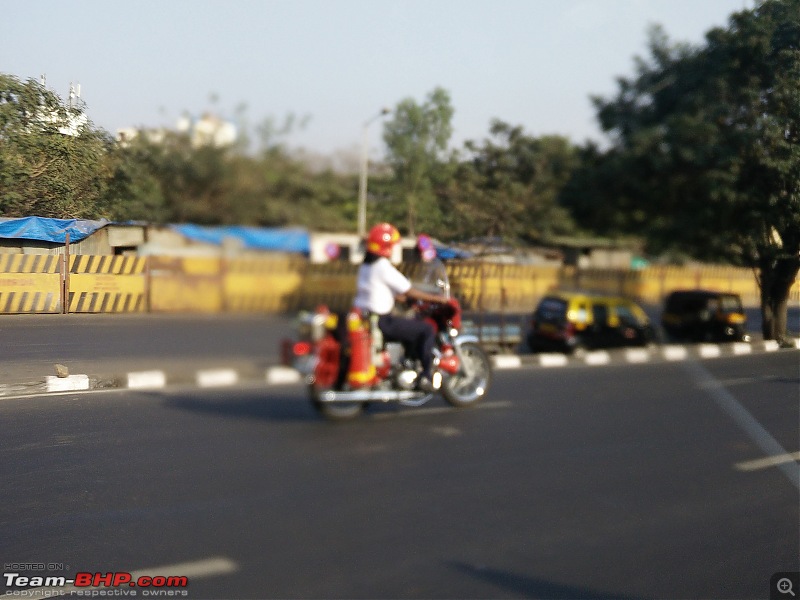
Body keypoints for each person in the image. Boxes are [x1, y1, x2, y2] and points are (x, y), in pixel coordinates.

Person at [354, 223, 446, 391]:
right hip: (383, 320)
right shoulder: (382, 267)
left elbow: (378, 289)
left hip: (366, 317)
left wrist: (401, 298)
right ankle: (426, 377)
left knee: (410, 326)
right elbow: (409, 290)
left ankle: (405, 364)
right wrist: (436, 298)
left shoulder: (366, 266)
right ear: (386, 248)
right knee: (426, 329)